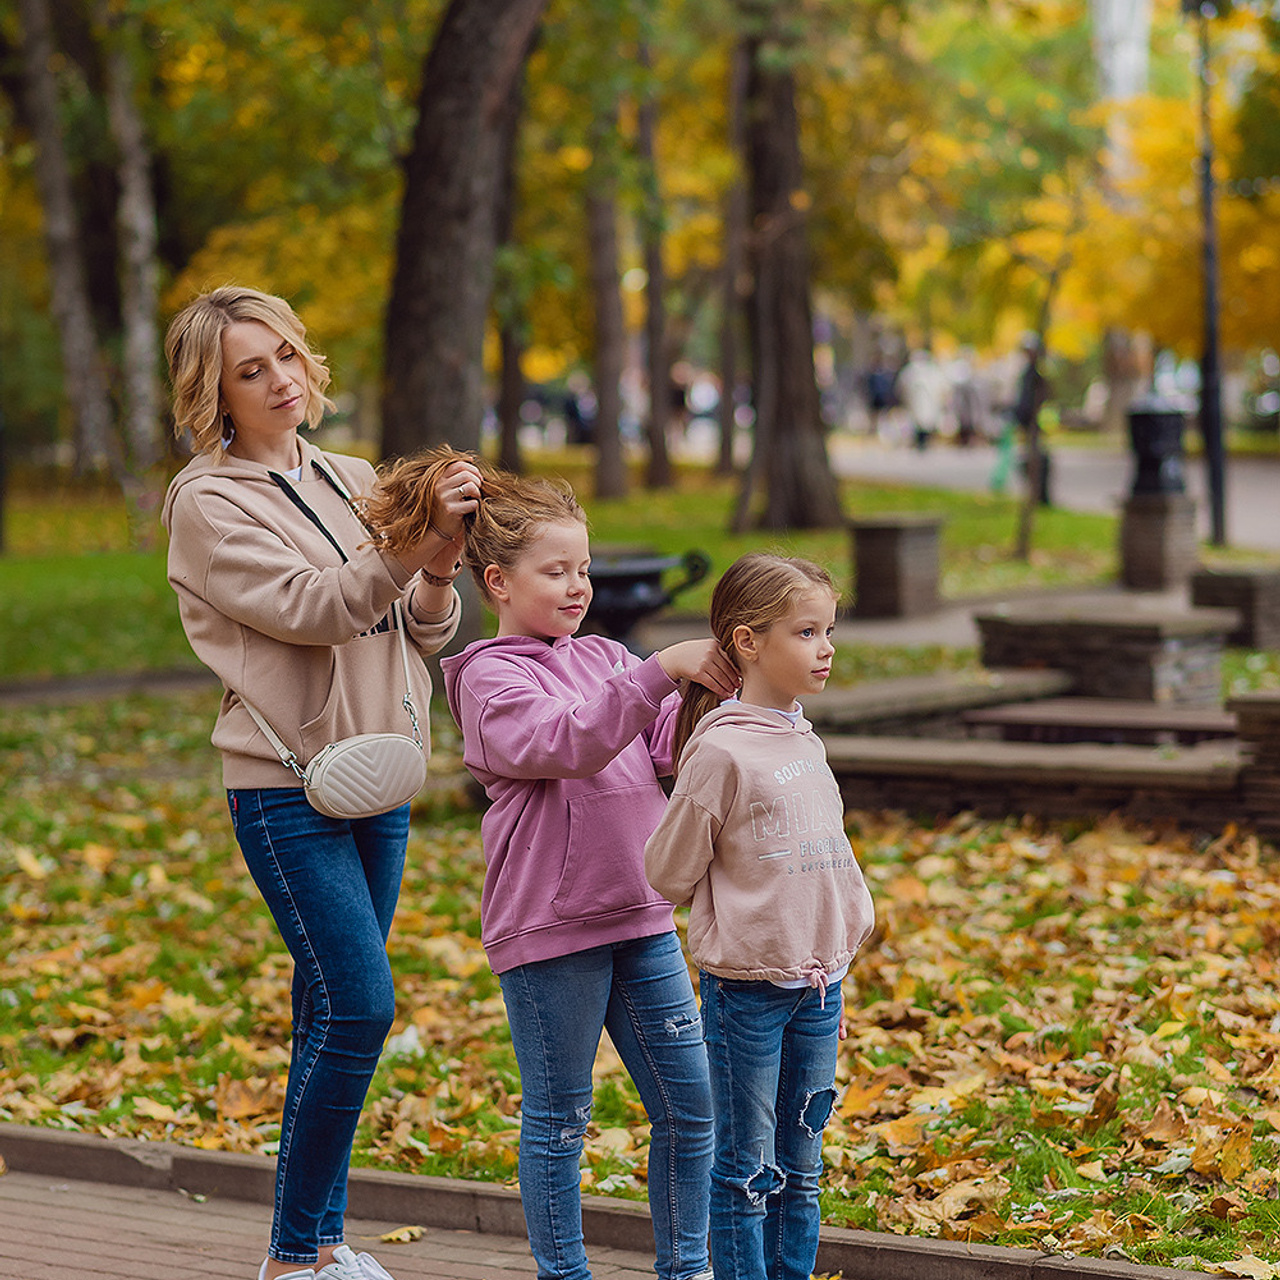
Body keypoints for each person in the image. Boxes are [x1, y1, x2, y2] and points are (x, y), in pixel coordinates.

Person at [160, 285, 484, 1280]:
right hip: (285, 786)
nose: (279, 380)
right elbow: (314, 607)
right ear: (212, 392)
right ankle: (295, 1255)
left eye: (288, 356)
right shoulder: (207, 500)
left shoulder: (347, 474)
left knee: (326, 1011)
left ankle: (317, 1241)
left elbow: (417, 629)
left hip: (378, 768)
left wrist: (439, 562)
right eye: (249, 371)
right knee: (359, 1003)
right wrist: (405, 545)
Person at [437, 467, 739, 1280]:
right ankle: (563, 1274)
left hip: (642, 919)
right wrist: (656, 672)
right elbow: (565, 741)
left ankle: (688, 1269)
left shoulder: (606, 653)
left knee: (692, 1107)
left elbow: (675, 744)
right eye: (557, 571)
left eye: (584, 568)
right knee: (561, 1121)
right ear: (498, 581)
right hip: (552, 935)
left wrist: (739, 688)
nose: (579, 586)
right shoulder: (488, 679)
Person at [644, 553, 876, 1280]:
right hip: (745, 994)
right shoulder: (720, 751)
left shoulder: (803, 738)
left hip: (816, 989)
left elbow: (828, 862)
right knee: (747, 1172)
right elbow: (667, 872)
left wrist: (835, 956)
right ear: (748, 642)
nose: (826, 647)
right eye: (807, 632)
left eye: (828, 629)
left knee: (800, 1168)